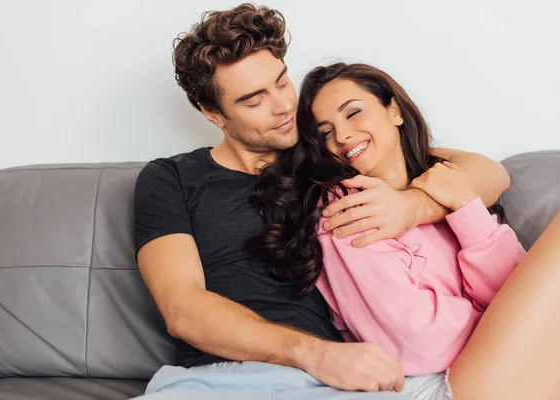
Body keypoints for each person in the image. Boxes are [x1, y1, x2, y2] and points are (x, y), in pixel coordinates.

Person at [132, 4, 510, 399]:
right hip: (213, 378)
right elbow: (182, 308)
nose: (282, 107)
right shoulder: (171, 178)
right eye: (253, 99)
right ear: (213, 114)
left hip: (331, 384)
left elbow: (490, 174)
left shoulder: (330, 154)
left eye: (281, 82)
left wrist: (412, 206)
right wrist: (314, 354)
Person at [253, 61, 560, 400]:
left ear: (395, 111)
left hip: (498, 366)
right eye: (326, 132)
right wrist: (508, 320)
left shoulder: (440, 184)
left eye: (353, 113)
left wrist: (464, 205)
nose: (341, 136)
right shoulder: (341, 210)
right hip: (441, 384)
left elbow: (514, 283)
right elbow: (416, 342)